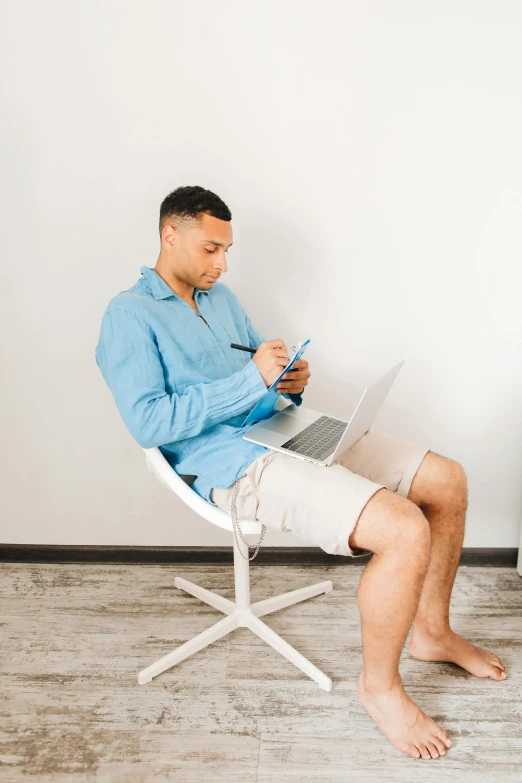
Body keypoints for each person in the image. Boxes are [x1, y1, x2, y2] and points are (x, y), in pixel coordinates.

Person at [95, 185, 506, 761]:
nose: (222, 263)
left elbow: (256, 372)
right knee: (404, 529)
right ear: (171, 235)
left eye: (227, 250)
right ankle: (379, 689)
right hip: (235, 464)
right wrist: (249, 382)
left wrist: (287, 378)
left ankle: (431, 633)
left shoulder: (221, 298)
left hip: (283, 427)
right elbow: (147, 422)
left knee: (447, 480)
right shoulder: (128, 316)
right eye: (211, 249)